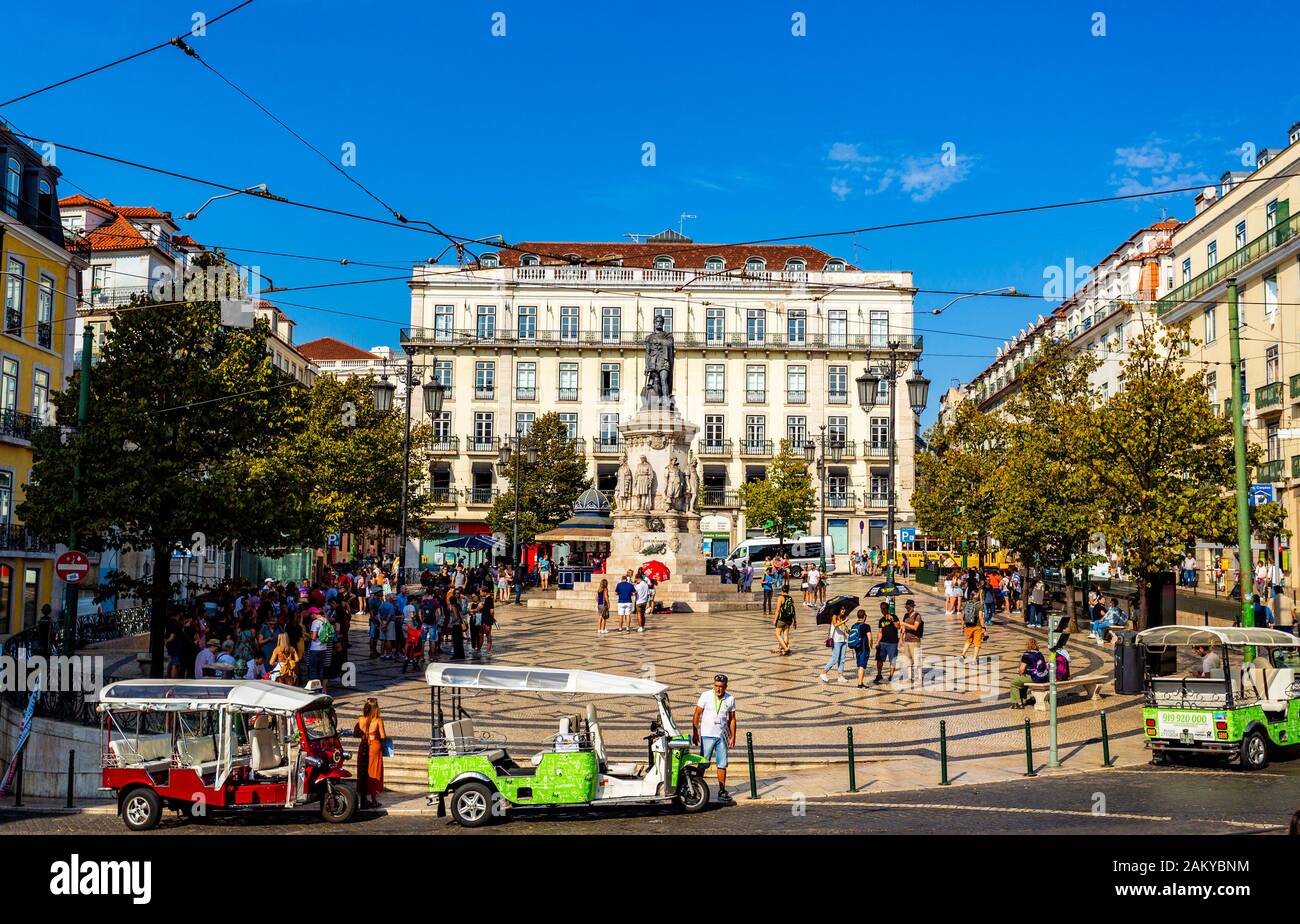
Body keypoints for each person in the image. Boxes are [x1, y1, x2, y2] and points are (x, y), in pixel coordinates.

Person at [691, 674, 737, 803]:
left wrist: (733, 736)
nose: (718, 689)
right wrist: (695, 732)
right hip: (707, 735)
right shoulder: (705, 695)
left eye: (721, 687)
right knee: (703, 764)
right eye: (716, 686)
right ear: (713, 685)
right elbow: (697, 714)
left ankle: (722, 791)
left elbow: (732, 719)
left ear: (726, 686)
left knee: (722, 764)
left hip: (722, 736)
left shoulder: (730, 699)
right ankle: (696, 788)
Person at [353, 697, 386, 809]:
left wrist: (364, 735)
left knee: (363, 770)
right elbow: (383, 736)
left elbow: (355, 733)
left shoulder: (360, 719)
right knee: (374, 771)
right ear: (376, 709)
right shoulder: (378, 721)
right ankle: (374, 799)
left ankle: (363, 798)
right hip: (375, 747)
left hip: (363, 746)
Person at [1009, 639, 1050, 708]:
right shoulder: (1039, 654)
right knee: (1022, 682)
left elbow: (1021, 670)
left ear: (1027, 645)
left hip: (1034, 677)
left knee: (1013, 683)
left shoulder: (1026, 655)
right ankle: (1023, 701)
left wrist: (1019, 671)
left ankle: (1017, 703)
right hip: (1043, 677)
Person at [820, 603, 850, 683]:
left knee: (842, 659)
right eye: (842, 609)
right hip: (836, 640)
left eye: (844, 609)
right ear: (839, 610)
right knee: (835, 658)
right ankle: (824, 673)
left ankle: (840, 676)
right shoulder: (834, 616)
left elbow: (843, 629)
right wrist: (844, 621)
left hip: (843, 640)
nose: (844, 610)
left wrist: (848, 629)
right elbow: (835, 625)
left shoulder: (842, 618)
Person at [847, 608, 875, 688]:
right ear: (864, 616)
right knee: (862, 666)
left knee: (859, 665)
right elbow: (870, 638)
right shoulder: (866, 626)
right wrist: (871, 646)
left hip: (857, 648)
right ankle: (860, 683)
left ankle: (860, 682)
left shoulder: (854, 625)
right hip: (864, 648)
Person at [874, 601, 900, 684]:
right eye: (882, 609)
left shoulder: (894, 617)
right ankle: (879, 674)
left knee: (892, 660)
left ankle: (891, 676)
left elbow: (898, 627)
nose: (883, 610)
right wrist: (877, 641)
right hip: (882, 643)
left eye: (885, 608)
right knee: (879, 660)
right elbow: (880, 632)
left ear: (888, 608)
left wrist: (892, 620)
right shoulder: (881, 620)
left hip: (892, 643)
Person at [900, 598, 924, 683]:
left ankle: (919, 678)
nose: (907, 608)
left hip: (915, 641)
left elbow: (915, 627)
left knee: (917, 660)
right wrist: (901, 638)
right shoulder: (906, 615)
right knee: (908, 660)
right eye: (906, 606)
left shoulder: (917, 616)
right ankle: (910, 678)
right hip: (907, 640)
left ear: (912, 606)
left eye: (908, 606)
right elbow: (903, 628)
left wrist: (905, 624)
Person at [772, 586, 796, 655]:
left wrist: (775, 619)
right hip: (789, 619)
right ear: (788, 591)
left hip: (782, 619)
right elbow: (793, 610)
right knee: (785, 635)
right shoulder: (790, 598)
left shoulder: (780, 597)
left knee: (777, 634)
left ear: (782, 591)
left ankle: (785, 648)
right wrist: (795, 620)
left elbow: (778, 610)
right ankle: (785, 649)